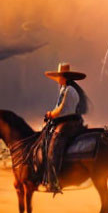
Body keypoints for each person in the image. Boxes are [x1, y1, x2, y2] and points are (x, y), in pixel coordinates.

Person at [43, 62, 89, 192]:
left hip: (67, 123)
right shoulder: (67, 89)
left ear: (64, 77)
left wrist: (50, 114)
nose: (58, 79)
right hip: (69, 121)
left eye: (59, 77)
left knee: (54, 147)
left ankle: (54, 181)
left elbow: (62, 109)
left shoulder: (69, 90)